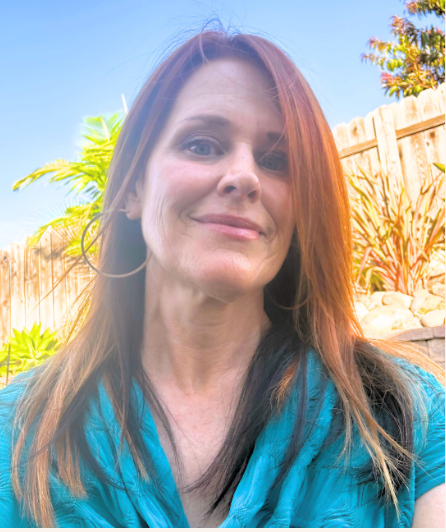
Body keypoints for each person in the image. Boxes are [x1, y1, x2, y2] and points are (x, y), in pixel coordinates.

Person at [0, 27, 444, 528]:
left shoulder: (406, 414)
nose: (244, 177)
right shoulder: (15, 432)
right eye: (202, 145)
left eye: (276, 160)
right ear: (133, 189)